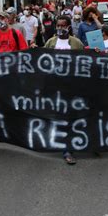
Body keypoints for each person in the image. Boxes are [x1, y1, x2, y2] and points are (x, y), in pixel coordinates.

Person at [43, 15, 83, 165]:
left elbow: (84, 60)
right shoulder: (51, 42)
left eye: (63, 26)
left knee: (69, 118)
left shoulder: (76, 43)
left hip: (71, 87)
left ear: (69, 27)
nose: (60, 28)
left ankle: (68, 150)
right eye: (58, 26)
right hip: (54, 86)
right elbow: (43, 60)